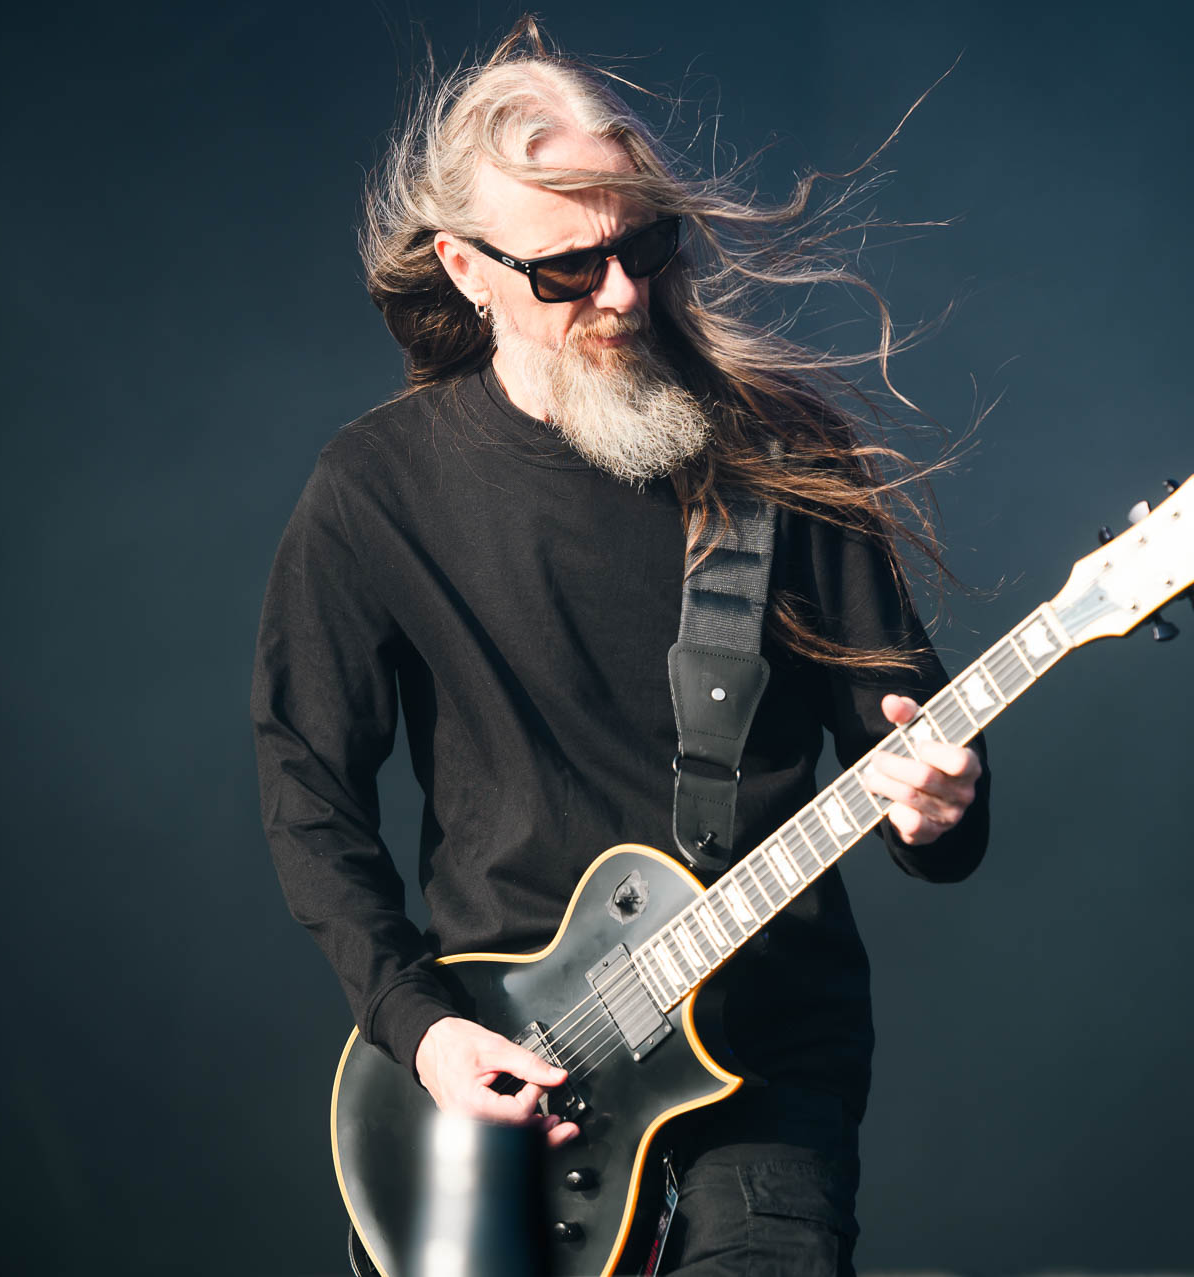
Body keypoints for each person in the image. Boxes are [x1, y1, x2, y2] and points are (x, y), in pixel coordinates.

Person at [251, 17, 989, 1274]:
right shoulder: (376, 490)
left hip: (763, 1057)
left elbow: (917, 755)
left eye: (645, 246)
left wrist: (940, 804)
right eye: (567, 269)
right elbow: (306, 789)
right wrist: (420, 1026)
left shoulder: (779, 449)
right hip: (507, 1079)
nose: (623, 294)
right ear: (466, 268)